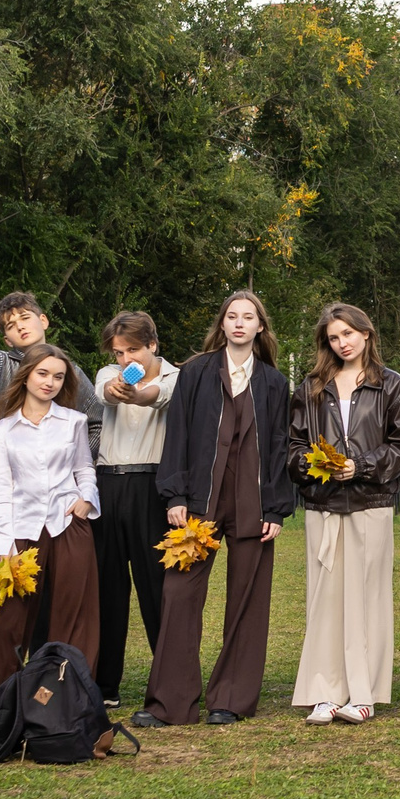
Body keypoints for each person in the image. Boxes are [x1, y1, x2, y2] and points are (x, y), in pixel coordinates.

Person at [135, 292, 294, 728]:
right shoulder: (196, 372)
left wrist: (276, 509)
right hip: (198, 503)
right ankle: (170, 703)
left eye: (249, 317)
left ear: (261, 327)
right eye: (232, 316)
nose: (240, 323)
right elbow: (178, 435)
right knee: (179, 595)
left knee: (248, 598)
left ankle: (231, 699)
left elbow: (280, 447)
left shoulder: (275, 384)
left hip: (254, 504)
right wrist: (175, 496)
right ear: (222, 324)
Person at [291, 303, 400, 725]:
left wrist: (360, 467)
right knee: (325, 598)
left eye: (348, 334)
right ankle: (325, 692)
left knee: (368, 598)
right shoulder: (311, 386)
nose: (342, 343)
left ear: (366, 334)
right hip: (323, 506)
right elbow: (292, 447)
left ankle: (362, 694)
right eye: (333, 337)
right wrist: (319, 469)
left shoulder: (393, 386)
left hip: (372, 504)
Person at [0, 293, 101, 676]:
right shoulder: (3, 365)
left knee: (51, 596)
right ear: (6, 338)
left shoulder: (66, 370)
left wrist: (77, 475)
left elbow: (94, 420)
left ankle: (46, 680)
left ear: (44, 320)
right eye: (9, 325)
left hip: (57, 505)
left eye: (25, 318)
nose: (20, 326)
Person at [91, 312, 175, 706]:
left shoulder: (176, 377)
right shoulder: (108, 371)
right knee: (107, 588)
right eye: (119, 351)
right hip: (107, 481)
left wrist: (139, 390)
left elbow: (152, 397)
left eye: (133, 350)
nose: (125, 359)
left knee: (155, 587)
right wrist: (118, 386)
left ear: (153, 345)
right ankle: (104, 684)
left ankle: (168, 682)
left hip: (150, 484)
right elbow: (107, 393)